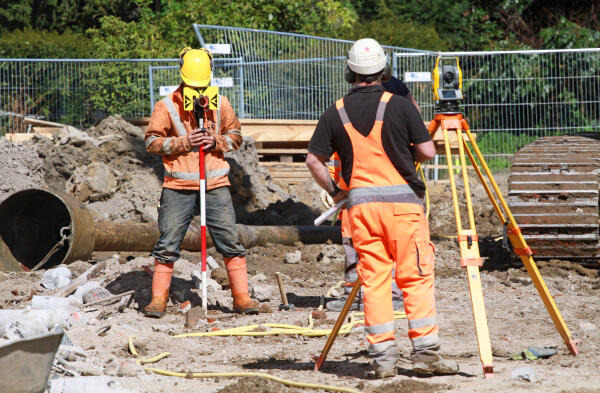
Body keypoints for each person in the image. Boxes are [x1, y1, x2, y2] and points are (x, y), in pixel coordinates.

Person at [306, 38, 458, 378]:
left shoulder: (336, 111)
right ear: (383, 69)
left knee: (373, 282)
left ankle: (384, 360)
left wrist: (336, 191)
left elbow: (313, 160)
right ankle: (426, 356)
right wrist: (409, 156)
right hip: (403, 209)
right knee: (414, 278)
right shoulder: (401, 105)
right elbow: (428, 152)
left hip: (360, 210)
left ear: (350, 71)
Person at [143, 47, 258, 318]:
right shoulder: (167, 105)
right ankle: (158, 300)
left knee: (229, 238)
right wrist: (184, 142)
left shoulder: (221, 103)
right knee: (168, 241)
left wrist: (216, 141)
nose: (198, 90)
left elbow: (236, 136)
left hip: (215, 183)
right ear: (182, 79)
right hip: (178, 186)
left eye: (202, 85)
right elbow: (151, 142)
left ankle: (242, 298)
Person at [322, 73, 422, 312]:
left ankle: (380, 294)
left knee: (375, 240)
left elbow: (321, 157)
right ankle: (365, 293)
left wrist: (333, 189)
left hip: (363, 192)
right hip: (374, 192)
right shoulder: (394, 107)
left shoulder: (347, 108)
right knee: (383, 239)